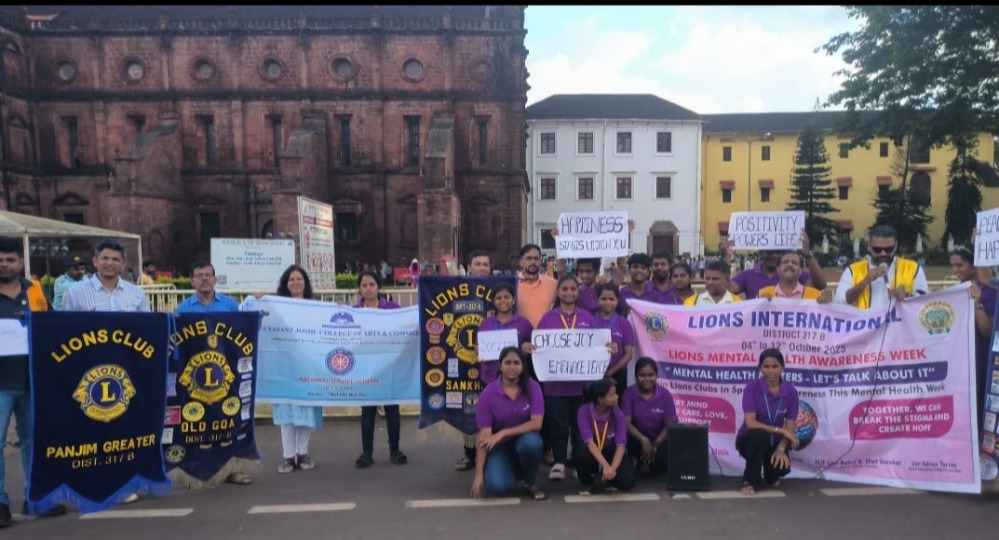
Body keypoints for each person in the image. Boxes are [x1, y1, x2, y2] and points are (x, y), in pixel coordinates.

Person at [0, 237, 66, 526]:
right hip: (1, 384)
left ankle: (37, 496)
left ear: (21, 262)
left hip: (34, 381)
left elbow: (53, 327)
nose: (4, 265)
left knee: (34, 441)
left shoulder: (37, 290)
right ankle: (0, 504)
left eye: (10, 259)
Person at [523, 275, 609, 482]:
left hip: (582, 386)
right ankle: (560, 462)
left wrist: (607, 347)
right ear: (558, 293)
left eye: (572, 289)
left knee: (580, 427)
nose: (569, 293)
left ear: (578, 292)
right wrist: (530, 347)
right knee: (558, 427)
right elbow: (539, 345)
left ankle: (580, 462)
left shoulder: (587, 317)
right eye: (564, 289)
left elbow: (596, 346)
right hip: (555, 386)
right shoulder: (548, 318)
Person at [174, 261, 254, 485]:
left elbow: (242, 335)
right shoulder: (183, 309)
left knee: (229, 422)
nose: (204, 279)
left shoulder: (230, 305)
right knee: (196, 427)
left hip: (226, 374)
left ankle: (233, 470)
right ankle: (197, 473)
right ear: (192, 281)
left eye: (208, 275)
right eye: (199, 275)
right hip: (196, 377)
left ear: (215, 279)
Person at [470, 347, 546, 501]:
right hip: (500, 447)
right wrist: (478, 475)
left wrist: (502, 433)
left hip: (524, 441)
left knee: (532, 443)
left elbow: (536, 424)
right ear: (500, 366)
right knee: (498, 488)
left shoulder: (533, 387)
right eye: (507, 362)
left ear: (523, 366)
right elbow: (484, 438)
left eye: (516, 363)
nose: (512, 367)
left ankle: (530, 482)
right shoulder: (488, 394)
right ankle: (507, 468)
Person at [271, 265, 323, 474]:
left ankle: (302, 453)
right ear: (285, 284)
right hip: (284, 366)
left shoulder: (315, 307)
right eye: (291, 279)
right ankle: (287, 456)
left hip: (308, 365)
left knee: (306, 409)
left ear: (305, 283)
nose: (295, 282)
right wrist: (257, 300)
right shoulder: (276, 307)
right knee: (286, 410)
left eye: (299, 279)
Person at [354, 270, 408, 468]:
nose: (368, 289)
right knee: (367, 413)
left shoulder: (393, 309)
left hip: (389, 367)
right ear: (359, 289)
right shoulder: (354, 312)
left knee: (392, 411)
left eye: (372, 284)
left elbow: (407, 326)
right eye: (364, 285)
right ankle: (366, 452)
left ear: (379, 287)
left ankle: (395, 450)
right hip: (366, 370)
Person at [454, 250, 500, 472]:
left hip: (492, 362)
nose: (482, 268)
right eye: (478, 264)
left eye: (485, 264)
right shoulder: (457, 289)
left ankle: (495, 450)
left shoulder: (499, 290)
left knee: (494, 406)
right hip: (463, 356)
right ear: (469, 267)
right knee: (468, 404)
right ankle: (469, 453)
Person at [736, 348, 799, 496]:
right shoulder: (752, 388)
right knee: (760, 435)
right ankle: (750, 480)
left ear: (783, 367)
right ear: (760, 368)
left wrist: (781, 448)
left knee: (777, 472)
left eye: (775, 366)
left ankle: (769, 470)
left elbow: (790, 425)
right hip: (750, 441)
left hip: (774, 443)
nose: (770, 371)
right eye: (766, 366)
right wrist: (781, 430)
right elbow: (750, 423)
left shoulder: (791, 391)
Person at [950, 245, 997, 427]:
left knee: (981, 417)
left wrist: (977, 304)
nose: (955, 270)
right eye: (953, 265)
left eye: (959, 265)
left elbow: (987, 331)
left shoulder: (990, 292)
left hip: (982, 365)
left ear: (973, 265)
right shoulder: (959, 290)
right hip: (963, 368)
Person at [834, 225, 928, 309]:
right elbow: (840, 301)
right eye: (877, 249)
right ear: (869, 246)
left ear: (895, 246)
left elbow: (926, 304)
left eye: (888, 249)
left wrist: (907, 297)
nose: (883, 254)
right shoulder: (853, 270)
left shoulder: (913, 269)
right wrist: (865, 281)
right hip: (865, 323)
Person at [575, 378, 635, 495]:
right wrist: (605, 465)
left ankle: (610, 479)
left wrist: (612, 468)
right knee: (582, 455)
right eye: (612, 395)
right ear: (601, 400)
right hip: (592, 450)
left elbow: (621, 446)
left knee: (627, 483)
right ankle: (587, 481)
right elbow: (589, 442)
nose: (617, 396)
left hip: (611, 450)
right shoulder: (584, 411)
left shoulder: (617, 413)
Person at [724, 232, 826, 299]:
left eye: (778, 252)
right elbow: (725, 289)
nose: (774, 256)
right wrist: (727, 257)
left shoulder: (791, 273)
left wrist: (808, 254)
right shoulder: (748, 276)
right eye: (769, 252)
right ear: (760, 254)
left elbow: (820, 285)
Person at [622, 358, 677, 478]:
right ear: (636, 376)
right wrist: (643, 440)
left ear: (656, 376)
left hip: (659, 440)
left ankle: (649, 463)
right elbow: (626, 422)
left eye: (651, 375)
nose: (647, 379)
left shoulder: (665, 394)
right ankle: (637, 461)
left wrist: (655, 444)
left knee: (660, 464)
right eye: (642, 375)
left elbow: (670, 424)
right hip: (636, 439)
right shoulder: (629, 393)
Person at [63, 239, 150, 313]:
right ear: (95, 261)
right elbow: (67, 325)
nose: (109, 263)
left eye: (115, 259)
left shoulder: (137, 293)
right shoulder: (75, 293)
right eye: (105, 258)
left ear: (123, 264)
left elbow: (146, 325)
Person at [594, 283, 635, 398]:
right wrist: (601, 373)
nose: (607, 302)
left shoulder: (624, 324)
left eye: (611, 299)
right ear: (597, 300)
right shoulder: (591, 321)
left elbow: (628, 354)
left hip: (618, 374)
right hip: (594, 374)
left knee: (616, 404)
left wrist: (610, 373)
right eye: (603, 299)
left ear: (618, 301)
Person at [515, 244, 558, 328]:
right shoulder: (513, 284)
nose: (533, 262)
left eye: (536, 258)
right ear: (521, 262)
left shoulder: (552, 284)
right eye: (529, 258)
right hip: (520, 334)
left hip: (545, 333)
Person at [757, 251, 828, 301]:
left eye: (794, 263)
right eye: (785, 262)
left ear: (800, 271)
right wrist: (759, 304)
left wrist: (825, 306)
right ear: (778, 269)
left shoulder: (816, 296)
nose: (789, 264)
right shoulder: (762, 294)